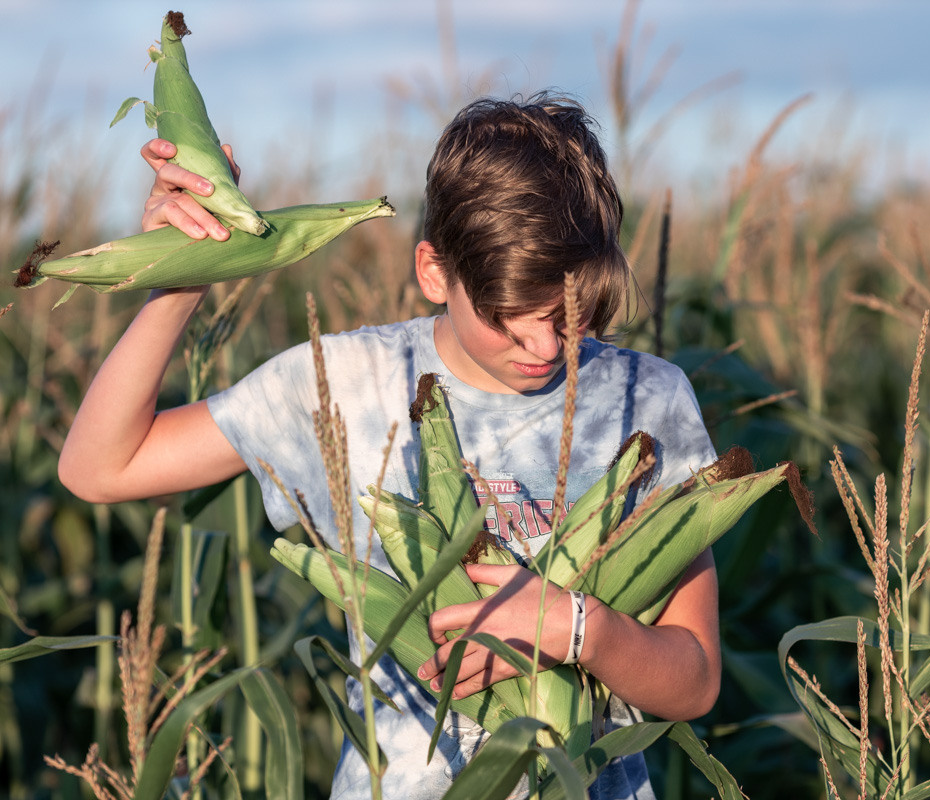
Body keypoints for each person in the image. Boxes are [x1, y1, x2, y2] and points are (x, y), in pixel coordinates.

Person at [58, 92, 721, 799]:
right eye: (508, 319)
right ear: (435, 271)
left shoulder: (647, 398)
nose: (546, 348)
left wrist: (580, 629)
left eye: (573, 317)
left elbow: (696, 682)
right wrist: (181, 273)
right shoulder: (345, 384)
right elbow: (100, 468)